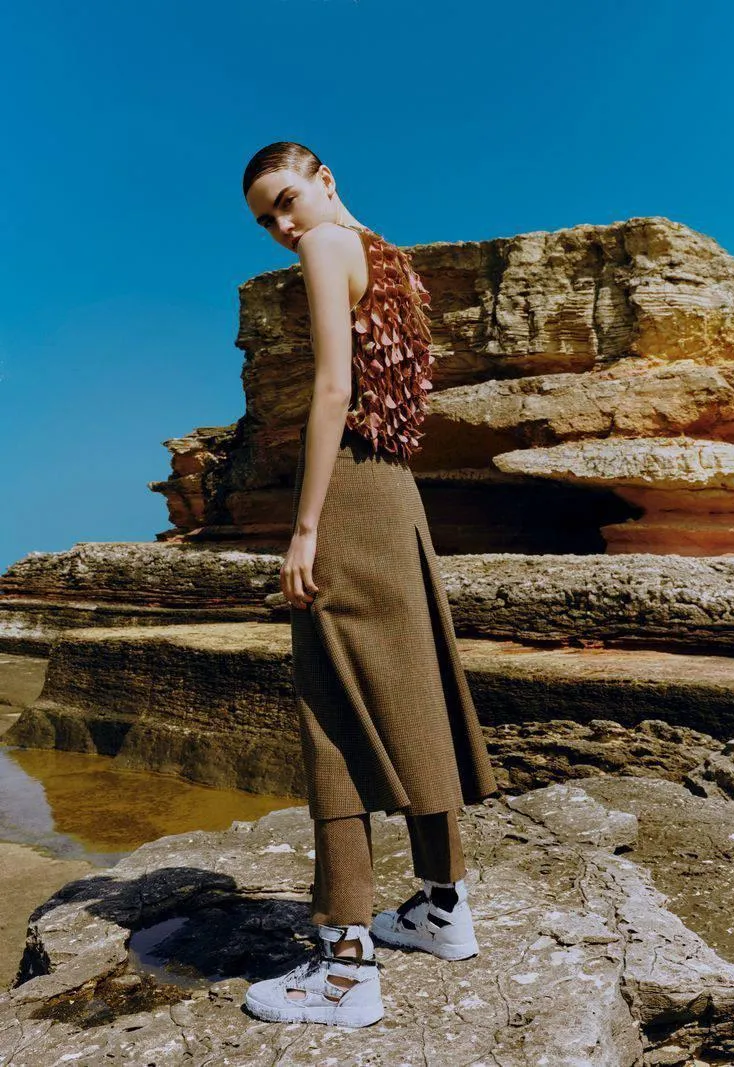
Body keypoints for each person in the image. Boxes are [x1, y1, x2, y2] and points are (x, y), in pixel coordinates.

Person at [241, 141, 499, 1028]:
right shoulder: (390, 259)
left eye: (285, 200)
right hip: (399, 494)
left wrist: (305, 526)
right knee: (413, 690)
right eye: (266, 220)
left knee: (332, 703)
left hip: (352, 490)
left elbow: (331, 389)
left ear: (325, 180)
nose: (282, 227)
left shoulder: (324, 246)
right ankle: (442, 906)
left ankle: (345, 963)